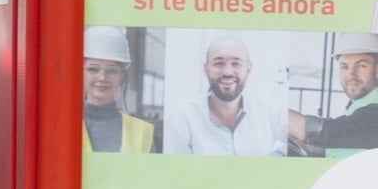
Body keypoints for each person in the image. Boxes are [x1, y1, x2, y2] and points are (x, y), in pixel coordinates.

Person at [289, 33, 378, 156]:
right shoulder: (361, 106)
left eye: (361, 66)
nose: (351, 74)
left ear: (377, 70)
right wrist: (315, 150)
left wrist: (277, 114)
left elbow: (331, 132)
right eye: (344, 67)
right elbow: (350, 141)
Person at [164, 36, 288, 158]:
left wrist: (276, 157)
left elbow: (301, 139)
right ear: (206, 69)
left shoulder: (270, 110)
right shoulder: (182, 118)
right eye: (219, 64)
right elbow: (177, 173)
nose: (227, 72)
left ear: (248, 69)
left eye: (236, 64)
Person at [82, 25, 152, 153]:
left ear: (121, 76)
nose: (102, 77)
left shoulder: (143, 131)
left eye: (112, 71)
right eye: (93, 69)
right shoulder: (63, 127)